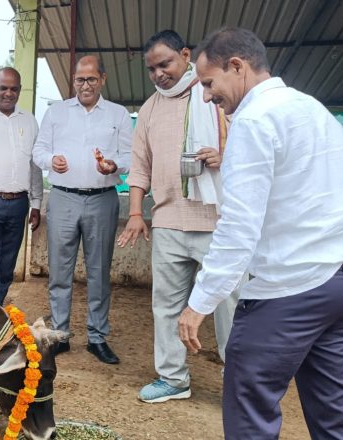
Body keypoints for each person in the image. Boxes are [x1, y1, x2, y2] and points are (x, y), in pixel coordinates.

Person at [178, 27, 343, 438]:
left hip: (289, 288)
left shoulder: (253, 121)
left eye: (209, 83)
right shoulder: (312, 109)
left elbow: (238, 225)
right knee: (332, 408)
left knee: (250, 401)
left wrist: (200, 302)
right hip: (335, 280)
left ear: (238, 66)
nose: (207, 96)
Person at [117, 29, 239, 403]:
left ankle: (240, 383)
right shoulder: (151, 108)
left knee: (230, 305)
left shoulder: (215, 94)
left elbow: (251, 145)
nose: (159, 74)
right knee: (166, 304)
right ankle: (172, 378)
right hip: (169, 220)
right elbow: (139, 166)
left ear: (185, 55)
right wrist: (137, 212)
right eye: (152, 68)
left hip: (217, 220)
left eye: (165, 63)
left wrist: (226, 155)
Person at [33, 56, 132, 364]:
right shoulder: (56, 112)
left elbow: (130, 155)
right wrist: (52, 161)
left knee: (99, 272)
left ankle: (97, 337)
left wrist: (115, 165)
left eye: (91, 79)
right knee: (59, 271)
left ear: (102, 79)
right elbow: (38, 150)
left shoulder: (118, 114)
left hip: (103, 198)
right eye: (80, 80)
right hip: (63, 197)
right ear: (73, 81)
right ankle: (60, 335)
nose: (85, 85)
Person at [0, 67, 43, 305]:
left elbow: (34, 165)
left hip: (19, 204)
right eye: (3, 88)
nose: (8, 93)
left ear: (19, 91)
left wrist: (36, 203)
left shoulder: (29, 121)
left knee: (6, 268)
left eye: (13, 89)